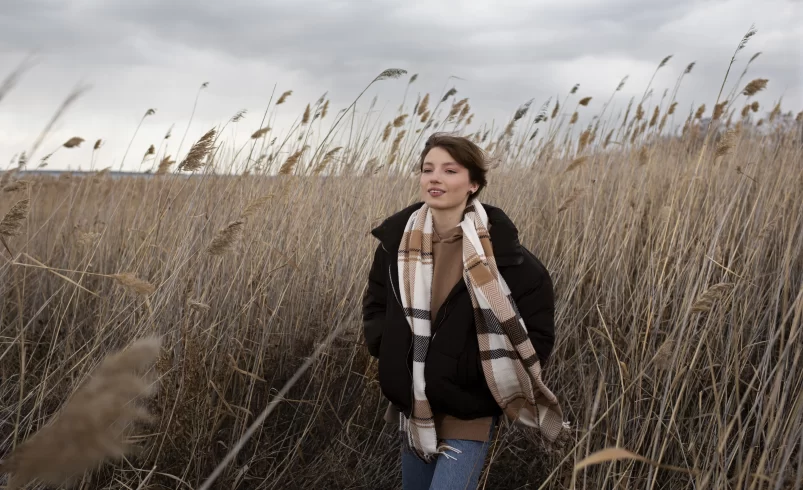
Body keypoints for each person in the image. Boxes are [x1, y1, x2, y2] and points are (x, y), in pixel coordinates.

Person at [362, 133, 564, 490]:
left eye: (449, 170)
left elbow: (537, 333)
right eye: (428, 169)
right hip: (414, 403)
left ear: (473, 184)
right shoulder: (396, 247)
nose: (435, 178)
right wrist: (387, 347)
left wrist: (474, 372)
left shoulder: (504, 255)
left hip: (469, 408)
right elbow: (376, 304)